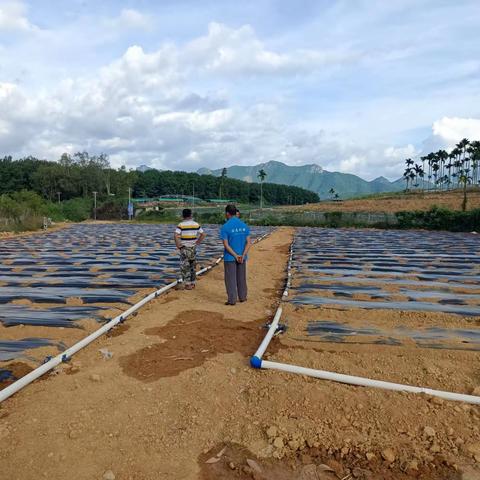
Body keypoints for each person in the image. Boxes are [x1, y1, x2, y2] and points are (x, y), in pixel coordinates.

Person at [220, 204, 252, 305]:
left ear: (227, 213)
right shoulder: (244, 225)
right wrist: (242, 255)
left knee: (230, 279)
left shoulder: (225, 227)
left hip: (230, 257)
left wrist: (235, 255)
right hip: (242, 256)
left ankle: (232, 300)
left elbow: (226, 244)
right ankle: (242, 297)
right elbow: (248, 242)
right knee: (241, 277)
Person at [174, 208, 206, 290]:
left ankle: (187, 284)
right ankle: (192, 283)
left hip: (184, 248)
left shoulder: (181, 225)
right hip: (193, 248)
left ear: (183, 216)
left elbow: (175, 235)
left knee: (185, 266)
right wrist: (197, 242)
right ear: (191, 215)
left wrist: (178, 245)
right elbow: (203, 234)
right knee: (192, 265)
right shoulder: (196, 224)